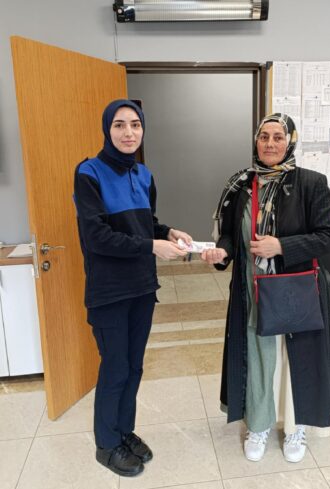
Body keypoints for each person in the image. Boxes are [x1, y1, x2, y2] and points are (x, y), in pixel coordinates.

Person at [201, 113, 330, 463]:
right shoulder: (241, 184)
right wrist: (222, 252)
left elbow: (329, 237)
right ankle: (260, 423)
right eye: (264, 137)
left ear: (290, 141)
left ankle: (296, 427)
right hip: (252, 290)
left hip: (297, 291)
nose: (270, 144)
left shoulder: (311, 183)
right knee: (259, 355)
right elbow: (230, 235)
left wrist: (281, 246)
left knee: (295, 359)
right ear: (256, 141)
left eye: (278, 137)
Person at [74, 99, 192, 477]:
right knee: (115, 369)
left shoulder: (143, 174)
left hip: (142, 287)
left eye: (135, 125)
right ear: (107, 129)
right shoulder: (89, 173)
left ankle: (124, 432)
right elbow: (97, 237)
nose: (128, 133)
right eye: (120, 125)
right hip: (109, 292)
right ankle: (107, 444)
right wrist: (151, 246)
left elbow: (145, 224)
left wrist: (167, 232)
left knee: (134, 367)